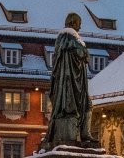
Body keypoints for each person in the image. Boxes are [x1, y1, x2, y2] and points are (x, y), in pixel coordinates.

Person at [40, 12, 93, 150]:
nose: (80, 27)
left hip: (74, 80)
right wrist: (84, 52)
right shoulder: (68, 35)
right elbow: (82, 53)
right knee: (78, 106)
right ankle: (82, 133)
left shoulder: (68, 37)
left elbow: (83, 54)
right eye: (79, 24)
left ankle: (85, 133)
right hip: (70, 81)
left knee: (87, 105)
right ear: (73, 23)